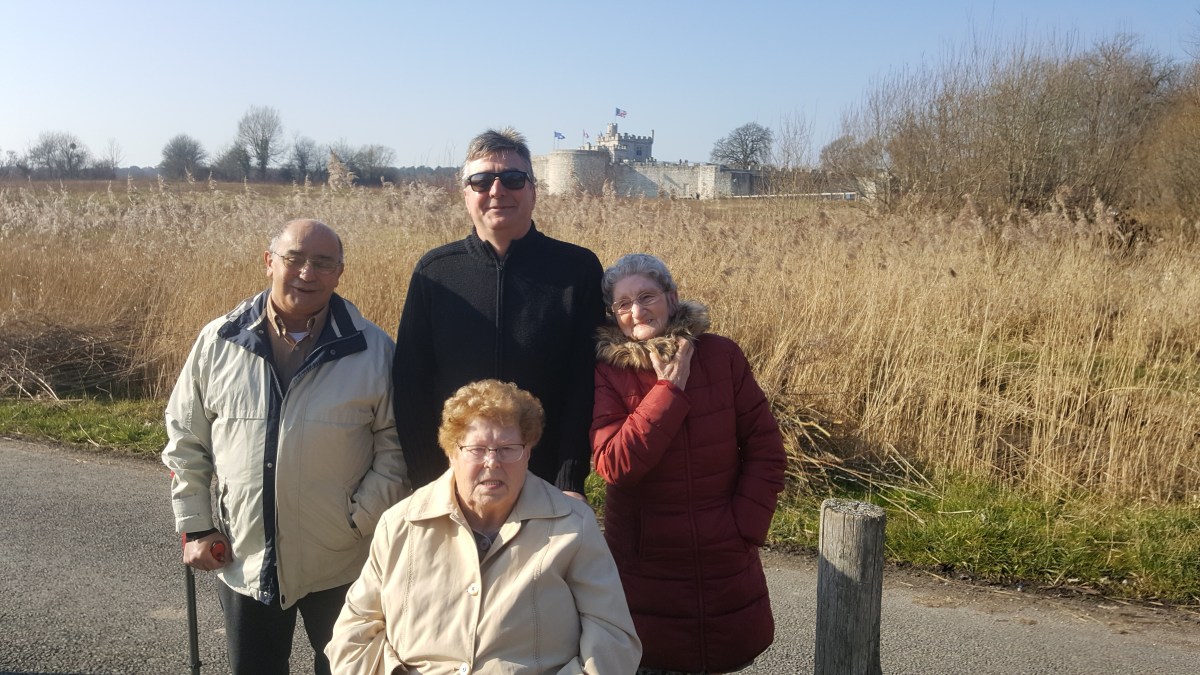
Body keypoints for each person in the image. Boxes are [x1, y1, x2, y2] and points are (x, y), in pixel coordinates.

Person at [163, 219, 409, 675]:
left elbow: (396, 446)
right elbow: (186, 439)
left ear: (340, 273)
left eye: (323, 263)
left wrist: (360, 520)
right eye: (294, 259)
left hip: (341, 561)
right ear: (269, 262)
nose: (306, 273)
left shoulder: (374, 349)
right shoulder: (218, 342)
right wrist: (197, 527)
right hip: (244, 557)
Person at [326, 379, 642, 674]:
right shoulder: (399, 525)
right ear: (451, 452)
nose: (492, 462)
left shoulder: (573, 525)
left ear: (528, 452)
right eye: (476, 450)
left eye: (508, 449)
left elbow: (613, 639)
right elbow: (352, 636)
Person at [590, 253, 788, 674]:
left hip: (725, 559)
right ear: (614, 315)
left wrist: (744, 528)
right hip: (647, 568)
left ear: (672, 297)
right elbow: (614, 465)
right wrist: (667, 390)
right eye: (623, 304)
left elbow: (765, 448)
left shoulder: (720, 356)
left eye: (647, 296)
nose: (637, 311)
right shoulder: (608, 373)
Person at [392, 127, 605, 499]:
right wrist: (428, 481)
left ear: (534, 191)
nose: (497, 190)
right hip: (454, 479)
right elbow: (411, 384)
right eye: (481, 180)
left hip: (545, 482)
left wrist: (569, 479)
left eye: (512, 178)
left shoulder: (577, 270)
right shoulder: (436, 272)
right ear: (465, 194)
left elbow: (583, 382)